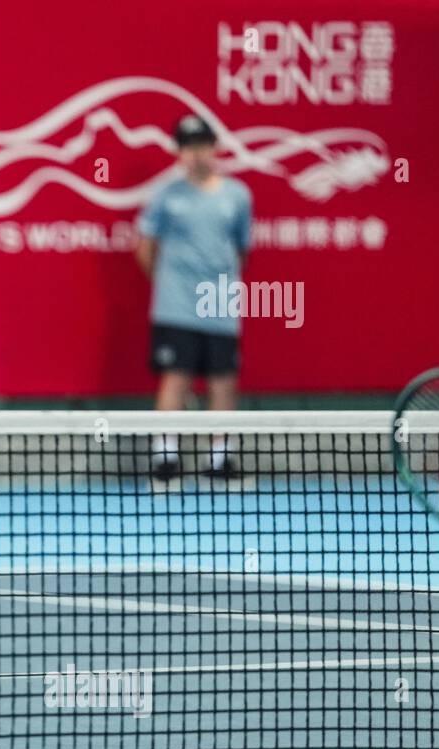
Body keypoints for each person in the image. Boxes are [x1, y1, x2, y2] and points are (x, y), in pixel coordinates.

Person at [136, 114, 253, 480]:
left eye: (202, 145)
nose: (196, 154)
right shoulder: (166, 196)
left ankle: (219, 459)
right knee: (175, 378)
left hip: (219, 304)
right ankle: (165, 457)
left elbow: (241, 249)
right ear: (179, 152)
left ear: (214, 148)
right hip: (175, 306)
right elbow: (145, 246)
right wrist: (169, 285)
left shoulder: (237, 196)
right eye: (188, 147)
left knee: (224, 381)